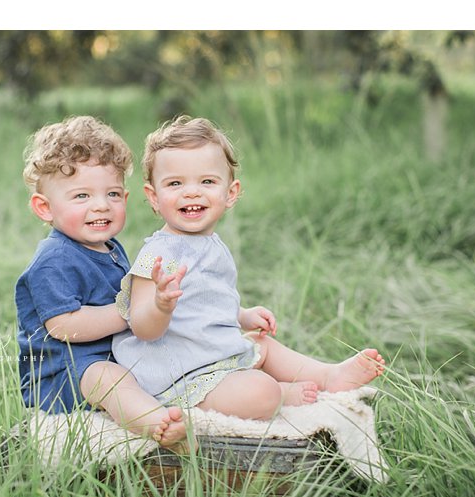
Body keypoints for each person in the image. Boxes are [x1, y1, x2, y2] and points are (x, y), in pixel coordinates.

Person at [112, 115, 386, 420]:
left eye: (207, 182)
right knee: (262, 392)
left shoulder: (213, 245)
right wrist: (160, 306)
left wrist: (242, 315)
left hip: (212, 354)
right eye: (175, 183)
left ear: (230, 193)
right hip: (180, 374)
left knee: (262, 344)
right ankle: (279, 392)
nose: (192, 192)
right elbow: (141, 327)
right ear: (153, 197)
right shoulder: (157, 254)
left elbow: (204, 301)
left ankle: (328, 375)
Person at [15, 115, 190, 450]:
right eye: (81, 196)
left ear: (125, 198)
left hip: (111, 352)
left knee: (166, 356)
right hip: (63, 373)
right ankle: (159, 426)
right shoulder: (54, 260)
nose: (101, 206)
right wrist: (129, 311)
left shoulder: (109, 247)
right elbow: (64, 326)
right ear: (44, 208)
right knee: (111, 379)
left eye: (112, 194)